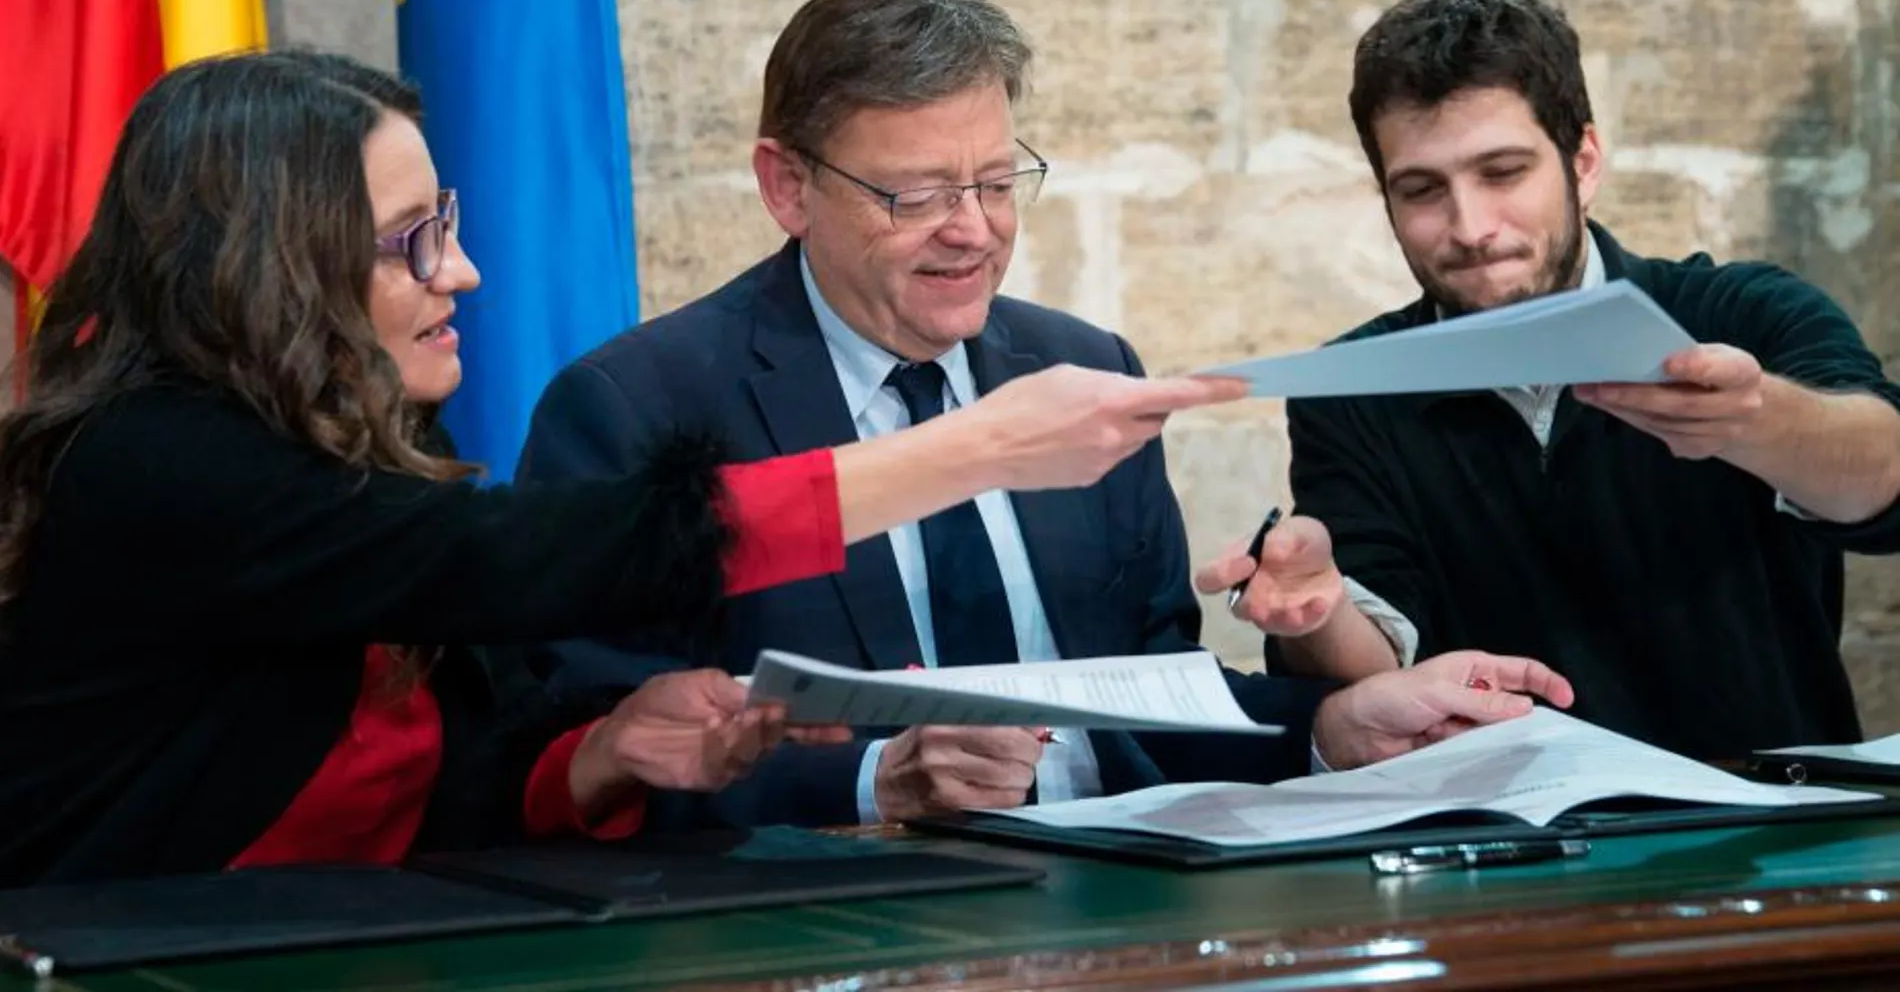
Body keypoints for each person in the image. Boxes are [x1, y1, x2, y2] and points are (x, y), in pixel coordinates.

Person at [0, 48, 1253, 887]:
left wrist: (600, 759)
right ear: (267, 269)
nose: (461, 274)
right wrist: (968, 451)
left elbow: (441, 777)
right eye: (406, 243)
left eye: (448, 225)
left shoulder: (366, 429)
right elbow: (521, 562)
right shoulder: (149, 462)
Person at [518, 0, 1574, 829]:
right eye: (916, 193)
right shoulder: (637, 405)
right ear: (787, 185)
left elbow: (1152, 691)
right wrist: (870, 781)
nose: (972, 228)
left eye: (993, 181)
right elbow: (587, 763)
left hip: (1124, 912)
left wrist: (1331, 725)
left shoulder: (1084, 370)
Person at [1198, 0, 1900, 761]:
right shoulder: (1355, 387)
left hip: (1773, 836)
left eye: (1503, 173)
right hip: (1503, 852)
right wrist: (1318, 612)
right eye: (1423, 189)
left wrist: (1757, 419)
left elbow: (1881, 473)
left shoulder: (1742, 311)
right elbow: (1383, 665)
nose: (1471, 227)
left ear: (1584, 160)